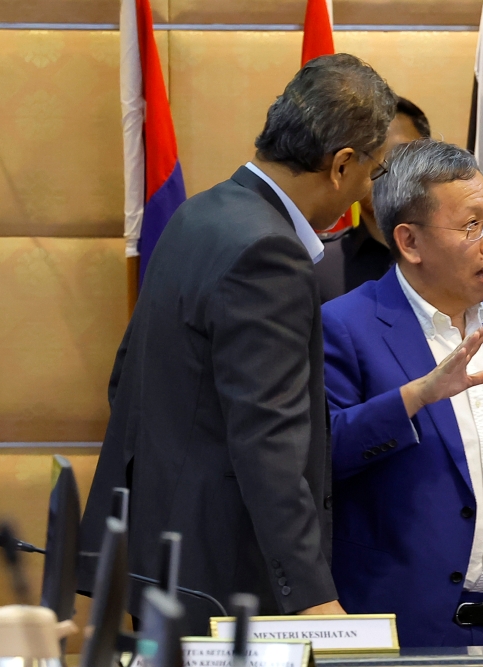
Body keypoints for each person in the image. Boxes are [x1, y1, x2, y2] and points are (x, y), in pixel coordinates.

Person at [77, 54, 397, 634]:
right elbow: (268, 441)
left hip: (160, 562)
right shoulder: (268, 253)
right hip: (224, 584)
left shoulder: (199, 213)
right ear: (342, 164)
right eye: (373, 171)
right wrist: (313, 599)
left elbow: (127, 376)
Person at [321, 138, 483, 647]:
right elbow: (318, 455)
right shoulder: (344, 325)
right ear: (410, 242)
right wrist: (413, 398)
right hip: (399, 627)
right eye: (470, 225)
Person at [313, 97, 430, 302]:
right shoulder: (317, 265)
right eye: (371, 156)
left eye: (401, 155)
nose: (386, 168)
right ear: (344, 166)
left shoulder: (468, 251)